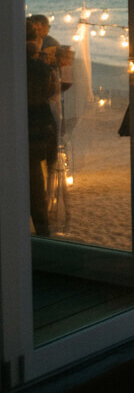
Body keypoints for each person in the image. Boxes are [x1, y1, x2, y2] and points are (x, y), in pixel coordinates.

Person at [26, 21, 59, 237]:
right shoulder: (43, 69)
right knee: (36, 190)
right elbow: (51, 96)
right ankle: (43, 233)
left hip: (30, 132)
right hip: (37, 134)